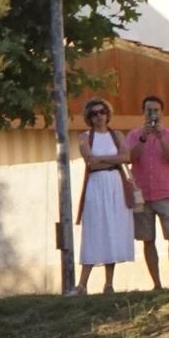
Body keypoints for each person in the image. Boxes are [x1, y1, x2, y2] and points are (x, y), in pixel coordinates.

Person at [73, 98, 136, 296]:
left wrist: (103, 159)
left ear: (108, 114)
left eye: (102, 112)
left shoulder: (117, 135)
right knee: (94, 230)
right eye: (94, 113)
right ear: (89, 117)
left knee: (112, 229)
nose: (99, 116)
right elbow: (90, 161)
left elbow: (126, 157)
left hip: (115, 184)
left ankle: (109, 284)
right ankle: (82, 284)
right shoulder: (84, 137)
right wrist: (109, 160)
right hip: (96, 185)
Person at [127, 94, 169, 290]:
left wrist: (160, 137)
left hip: (165, 192)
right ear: (143, 112)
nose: (153, 114)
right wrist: (143, 138)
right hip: (142, 194)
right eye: (149, 110)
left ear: (162, 112)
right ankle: (157, 284)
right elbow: (129, 158)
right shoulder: (134, 135)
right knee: (148, 240)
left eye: (156, 110)